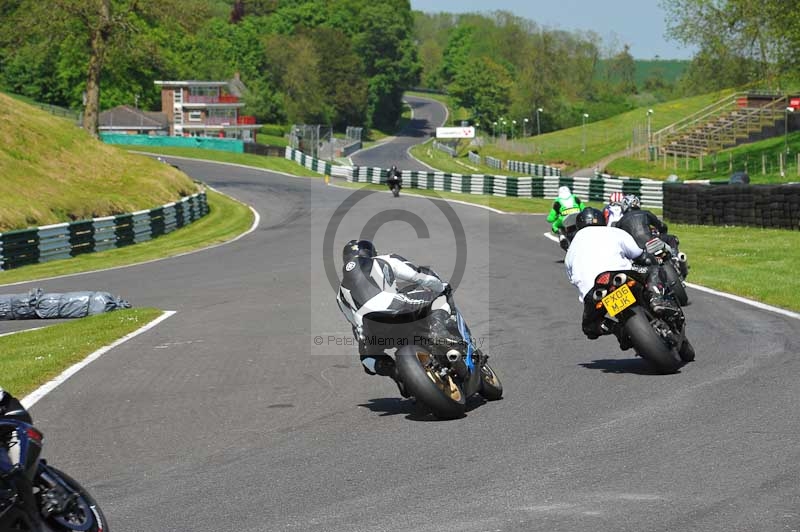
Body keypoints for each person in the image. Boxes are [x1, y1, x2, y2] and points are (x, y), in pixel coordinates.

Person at [335, 240, 461, 395]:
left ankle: (397, 374)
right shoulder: (383, 259)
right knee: (440, 295)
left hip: (370, 326)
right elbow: (419, 276)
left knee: (368, 360)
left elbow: (354, 323)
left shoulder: (340, 294)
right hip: (394, 306)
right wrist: (441, 286)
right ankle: (438, 331)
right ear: (371, 252)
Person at [564, 207, 679, 345]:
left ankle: (617, 329)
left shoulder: (570, 249)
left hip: (595, 291)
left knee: (589, 327)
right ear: (602, 219)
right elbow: (637, 253)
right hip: (622, 274)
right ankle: (657, 299)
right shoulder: (614, 232)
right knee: (654, 269)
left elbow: (573, 279)